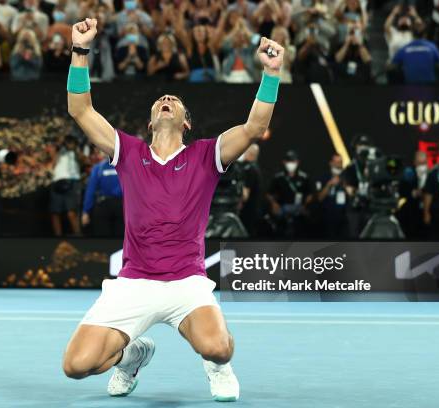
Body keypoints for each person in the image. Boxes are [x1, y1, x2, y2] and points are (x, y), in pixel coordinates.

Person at [63, 17, 284, 402]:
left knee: (219, 347)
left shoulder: (206, 155)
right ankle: (132, 357)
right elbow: (81, 111)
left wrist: (272, 73)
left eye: (175, 101)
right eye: (161, 101)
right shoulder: (128, 151)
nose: (167, 100)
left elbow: (253, 126)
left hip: (186, 282)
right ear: (151, 121)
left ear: (186, 122)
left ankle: (217, 367)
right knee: (77, 366)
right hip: (134, 282)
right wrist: (80, 50)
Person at [266, 150, 312, 238]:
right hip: (282, 210)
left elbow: (310, 194)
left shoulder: (304, 177)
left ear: (297, 162)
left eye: (293, 161)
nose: (291, 164)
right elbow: (269, 193)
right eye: (289, 161)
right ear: (284, 162)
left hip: (299, 210)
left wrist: (306, 206)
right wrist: (274, 204)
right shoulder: (278, 177)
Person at [50, 135, 84, 236]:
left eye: (71, 142)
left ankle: (78, 235)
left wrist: (74, 149)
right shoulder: (58, 152)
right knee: (55, 212)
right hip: (57, 181)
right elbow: (53, 162)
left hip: (73, 182)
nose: (69, 144)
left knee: (72, 212)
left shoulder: (76, 153)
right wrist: (59, 146)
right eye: (67, 142)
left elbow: (83, 160)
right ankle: (58, 237)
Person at [81, 156, 123, 237]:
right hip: (120, 205)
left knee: (103, 240)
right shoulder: (126, 166)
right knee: (121, 240)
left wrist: (86, 211)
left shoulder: (98, 168)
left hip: (104, 205)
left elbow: (91, 190)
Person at [316, 153, 348, 239]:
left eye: (340, 162)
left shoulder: (347, 177)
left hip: (344, 218)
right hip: (327, 217)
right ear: (331, 163)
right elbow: (319, 198)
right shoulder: (323, 177)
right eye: (336, 162)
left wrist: (345, 185)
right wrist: (329, 184)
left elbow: (352, 195)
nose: (338, 165)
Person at [398, 150, 429, 239]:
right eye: (419, 163)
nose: (422, 166)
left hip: (426, 214)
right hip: (411, 214)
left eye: (424, 163)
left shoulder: (432, 174)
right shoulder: (408, 174)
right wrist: (413, 193)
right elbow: (402, 191)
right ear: (414, 162)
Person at [239, 144, 263, 237]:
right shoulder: (255, 168)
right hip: (254, 209)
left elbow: (245, 195)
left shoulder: (249, 169)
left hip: (248, 211)